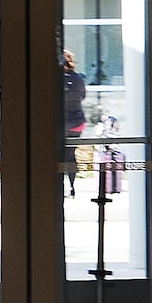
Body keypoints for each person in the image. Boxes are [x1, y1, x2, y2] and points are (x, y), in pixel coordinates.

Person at [61, 49, 87, 197]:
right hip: (77, 123)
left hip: (60, 124)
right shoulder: (78, 78)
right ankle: (71, 186)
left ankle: (60, 186)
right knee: (71, 154)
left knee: (58, 155)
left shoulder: (55, 78)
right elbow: (82, 96)